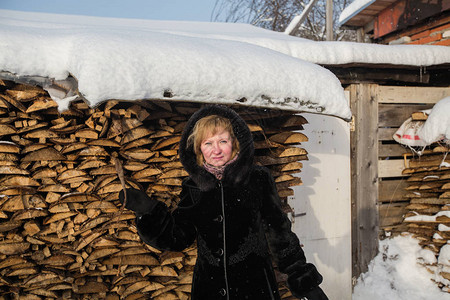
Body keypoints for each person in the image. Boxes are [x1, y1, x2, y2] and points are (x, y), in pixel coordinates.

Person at [119, 105, 328, 300]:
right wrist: (147, 210)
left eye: (223, 141)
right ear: (199, 149)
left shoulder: (257, 179)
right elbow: (178, 237)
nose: (216, 150)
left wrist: (305, 282)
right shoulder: (193, 187)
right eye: (208, 143)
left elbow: (279, 234)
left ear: (235, 143)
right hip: (208, 289)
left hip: (254, 288)